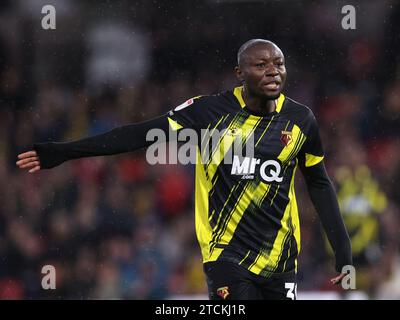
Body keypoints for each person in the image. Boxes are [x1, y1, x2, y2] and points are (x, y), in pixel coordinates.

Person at [16, 39, 352, 300]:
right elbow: (138, 135)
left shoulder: (300, 119)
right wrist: (62, 152)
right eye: (260, 64)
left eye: (278, 64)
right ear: (239, 73)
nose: (272, 71)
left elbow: (319, 184)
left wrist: (343, 250)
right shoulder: (209, 112)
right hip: (227, 256)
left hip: (281, 259)